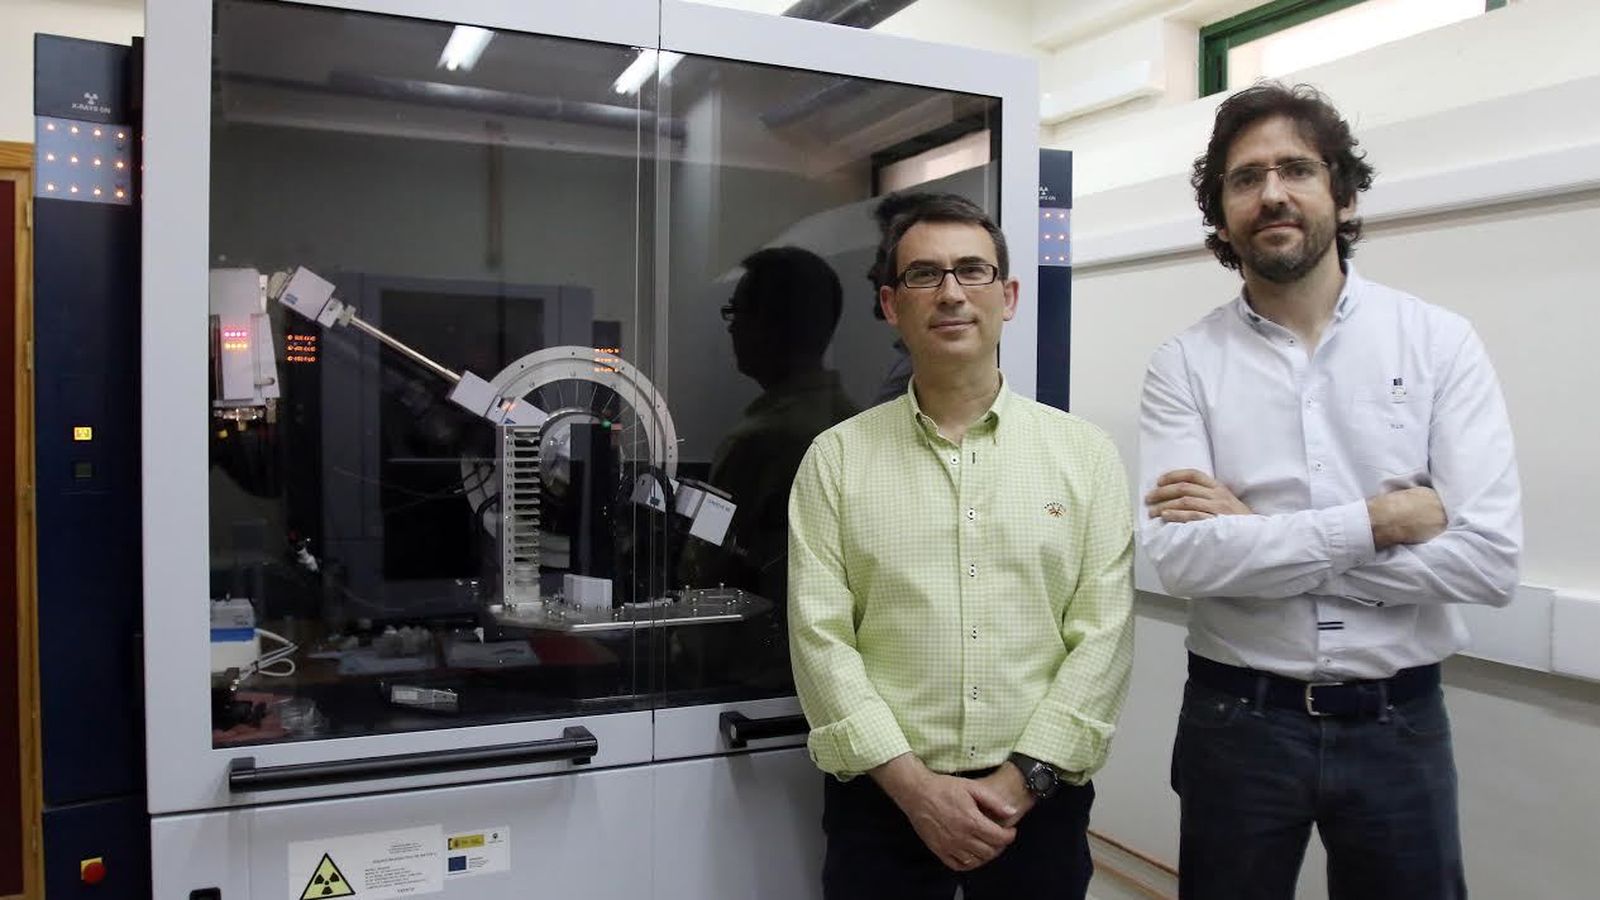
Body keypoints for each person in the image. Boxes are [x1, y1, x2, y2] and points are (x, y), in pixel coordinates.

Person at [1138, 82, 1522, 900]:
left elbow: (1488, 563)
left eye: (1296, 169)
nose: (1271, 192)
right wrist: (1380, 521)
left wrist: (1258, 533)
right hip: (1237, 723)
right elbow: (1180, 559)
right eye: (1245, 178)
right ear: (1220, 214)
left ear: (1341, 192)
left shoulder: (1438, 345)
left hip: (1401, 726)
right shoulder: (1184, 365)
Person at [788, 192, 1135, 900]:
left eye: (972, 272)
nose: (951, 293)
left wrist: (1024, 780)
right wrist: (916, 791)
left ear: (1007, 297)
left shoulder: (1085, 456)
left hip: (1038, 807)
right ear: (891, 304)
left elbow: (1104, 638)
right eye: (925, 275)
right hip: (882, 809)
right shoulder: (836, 460)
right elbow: (819, 639)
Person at [679, 246, 859, 686]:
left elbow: (707, 569)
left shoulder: (763, 440)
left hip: (750, 674)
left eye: (737, 312)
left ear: (775, 325)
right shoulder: (853, 421)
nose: (732, 328)